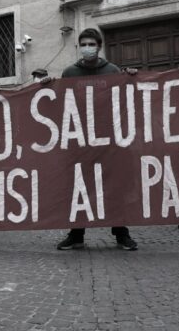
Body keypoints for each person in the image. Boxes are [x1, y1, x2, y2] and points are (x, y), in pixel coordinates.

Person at [52, 28, 138, 251]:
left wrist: (132, 79)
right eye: (83, 44)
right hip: (80, 141)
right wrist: (47, 87)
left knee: (113, 185)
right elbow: (61, 103)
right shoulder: (69, 73)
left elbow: (123, 101)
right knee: (79, 186)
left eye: (91, 44)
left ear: (99, 46)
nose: (87, 48)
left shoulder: (112, 70)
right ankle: (76, 234)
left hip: (107, 140)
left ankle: (121, 233)